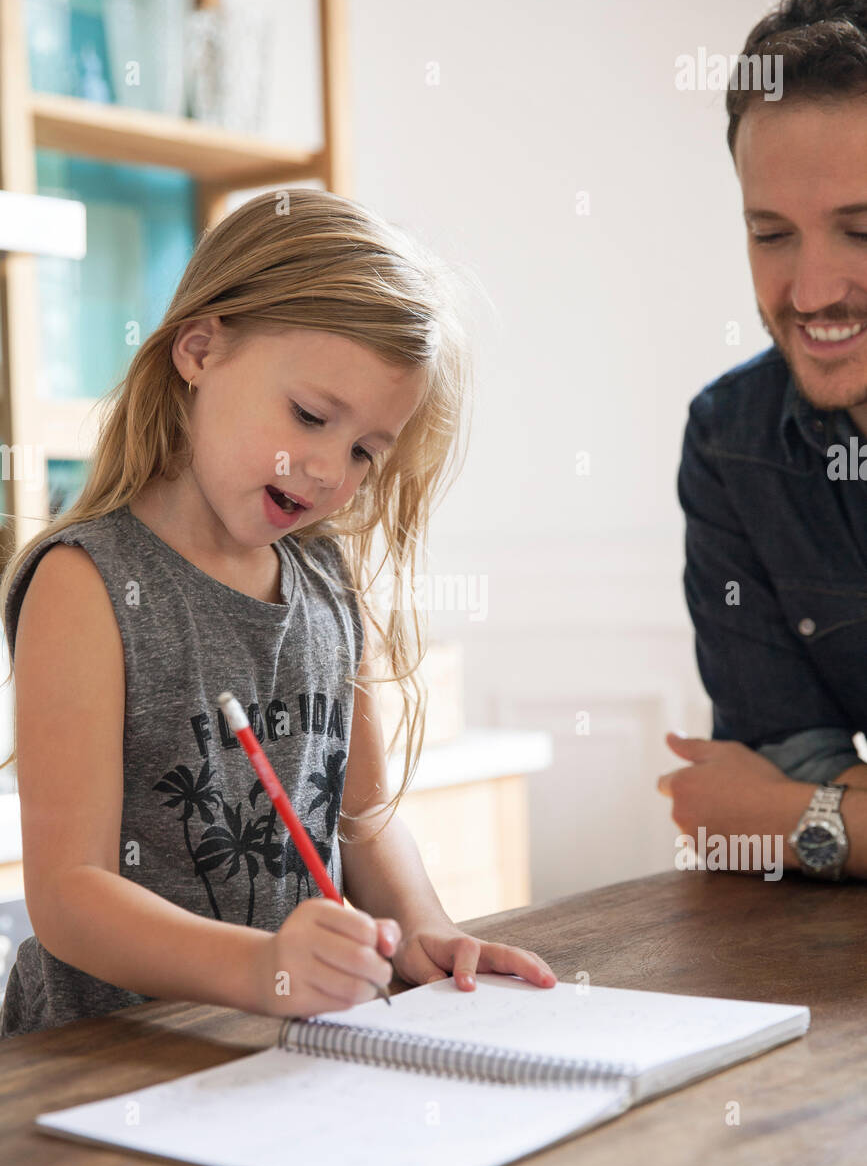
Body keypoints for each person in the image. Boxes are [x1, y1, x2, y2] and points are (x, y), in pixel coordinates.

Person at [0, 187, 555, 1036]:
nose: (332, 470)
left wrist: (425, 934)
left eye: (366, 449)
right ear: (198, 349)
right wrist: (261, 969)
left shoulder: (328, 578)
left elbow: (362, 822)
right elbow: (69, 894)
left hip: (286, 1048)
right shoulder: (87, 583)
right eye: (310, 416)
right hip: (107, 1060)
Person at [659, 0, 867, 884]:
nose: (811, 293)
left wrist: (795, 822)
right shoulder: (729, 440)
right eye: (771, 233)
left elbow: (757, 804)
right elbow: (781, 750)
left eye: (862, 230)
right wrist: (802, 799)